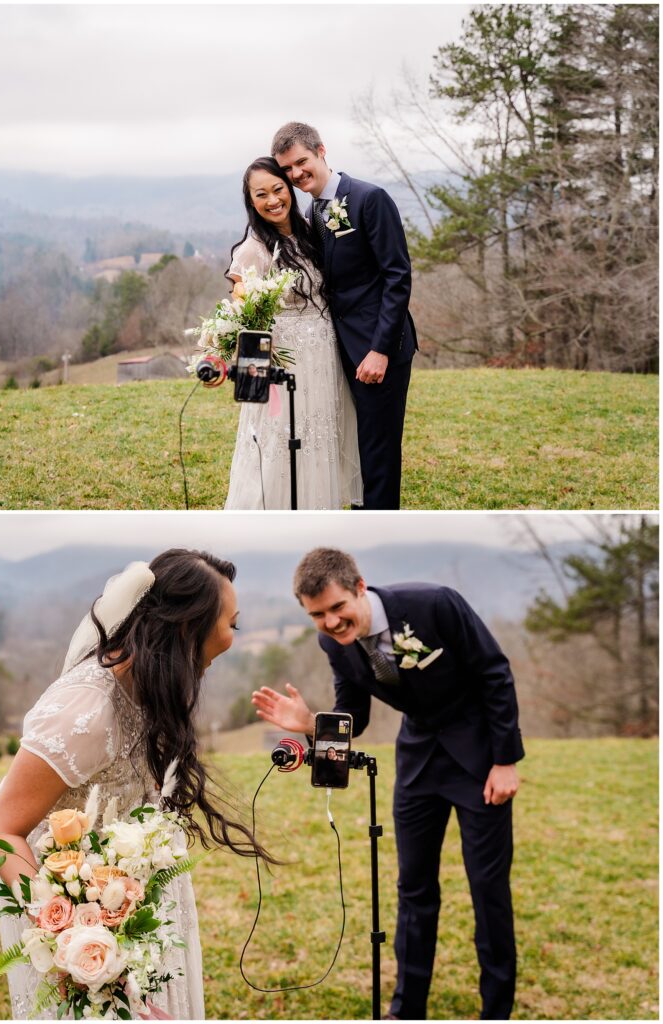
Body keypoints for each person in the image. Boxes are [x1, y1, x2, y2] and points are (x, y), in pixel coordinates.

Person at [0, 549, 273, 1020]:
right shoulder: (86, 708)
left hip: (134, 897)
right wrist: (69, 936)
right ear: (187, 627)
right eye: (232, 624)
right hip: (68, 907)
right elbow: (2, 831)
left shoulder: (155, 683)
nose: (231, 638)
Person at [252, 547, 524, 1020]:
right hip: (418, 762)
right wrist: (311, 722)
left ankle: (496, 1010)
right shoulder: (330, 643)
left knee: (488, 889)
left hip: (480, 758)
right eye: (318, 615)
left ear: (360, 587)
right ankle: (406, 1009)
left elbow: (494, 673)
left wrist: (505, 761)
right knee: (413, 888)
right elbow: (354, 716)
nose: (332, 623)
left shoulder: (435, 604)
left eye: (338, 608)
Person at [271, 123, 417, 511]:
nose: (297, 174)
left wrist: (380, 350)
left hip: (377, 349)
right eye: (288, 169)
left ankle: (379, 519)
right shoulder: (312, 210)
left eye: (302, 162)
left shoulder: (370, 198)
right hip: (341, 349)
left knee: (378, 451)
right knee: (355, 443)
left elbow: (397, 277)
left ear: (321, 151)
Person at [224, 156, 362, 510]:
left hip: (325, 353)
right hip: (287, 357)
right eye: (261, 195)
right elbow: (243, 312)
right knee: (284, 438)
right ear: (250, 202)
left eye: (277, 189)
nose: (272, 200)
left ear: (289, 189)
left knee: (321, 435)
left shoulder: (311, 229)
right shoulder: (253, 250)